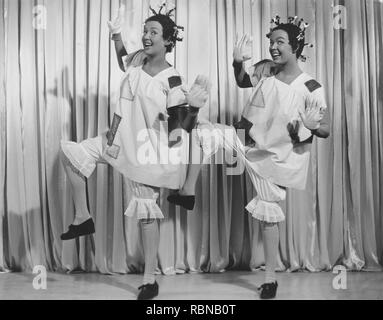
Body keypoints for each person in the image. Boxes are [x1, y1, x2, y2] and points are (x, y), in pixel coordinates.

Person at [168, 16, 330, 299]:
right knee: (204, 133)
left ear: (296, 46)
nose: (273, 47)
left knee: (268, 216)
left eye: (280, 42)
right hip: (243, 138)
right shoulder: (266, 69)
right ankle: (187, 191)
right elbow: (243, 80)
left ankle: (270, 280)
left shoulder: (311, 86)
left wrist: (315, 127)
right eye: (271, 42)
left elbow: (326, 128)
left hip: (273, 157)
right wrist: (236, 62)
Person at [60, 4, 210, 300]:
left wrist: (192, 107)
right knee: (71, 154)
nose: (146, 36)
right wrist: (116, 34)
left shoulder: (172, 79)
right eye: (144, 30)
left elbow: (181, 128)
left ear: (168, 40)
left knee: (145, 214)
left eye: (153, 32)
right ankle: (82, 217)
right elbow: (121, 60)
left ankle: (150, 279)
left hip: (146, 152)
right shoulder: (137, 62)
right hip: (116, 141)